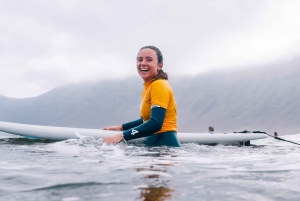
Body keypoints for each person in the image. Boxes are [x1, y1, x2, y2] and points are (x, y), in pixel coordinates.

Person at [102, 46, 180, 147]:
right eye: (140, 59)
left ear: (159, 66)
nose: (143, 63)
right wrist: (121, 127)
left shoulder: (159, 85)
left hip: (164, 145)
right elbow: (146, 120)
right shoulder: (149, 87)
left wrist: (122, 136)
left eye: (149, 60)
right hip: (157, 142)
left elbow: (156, 123)